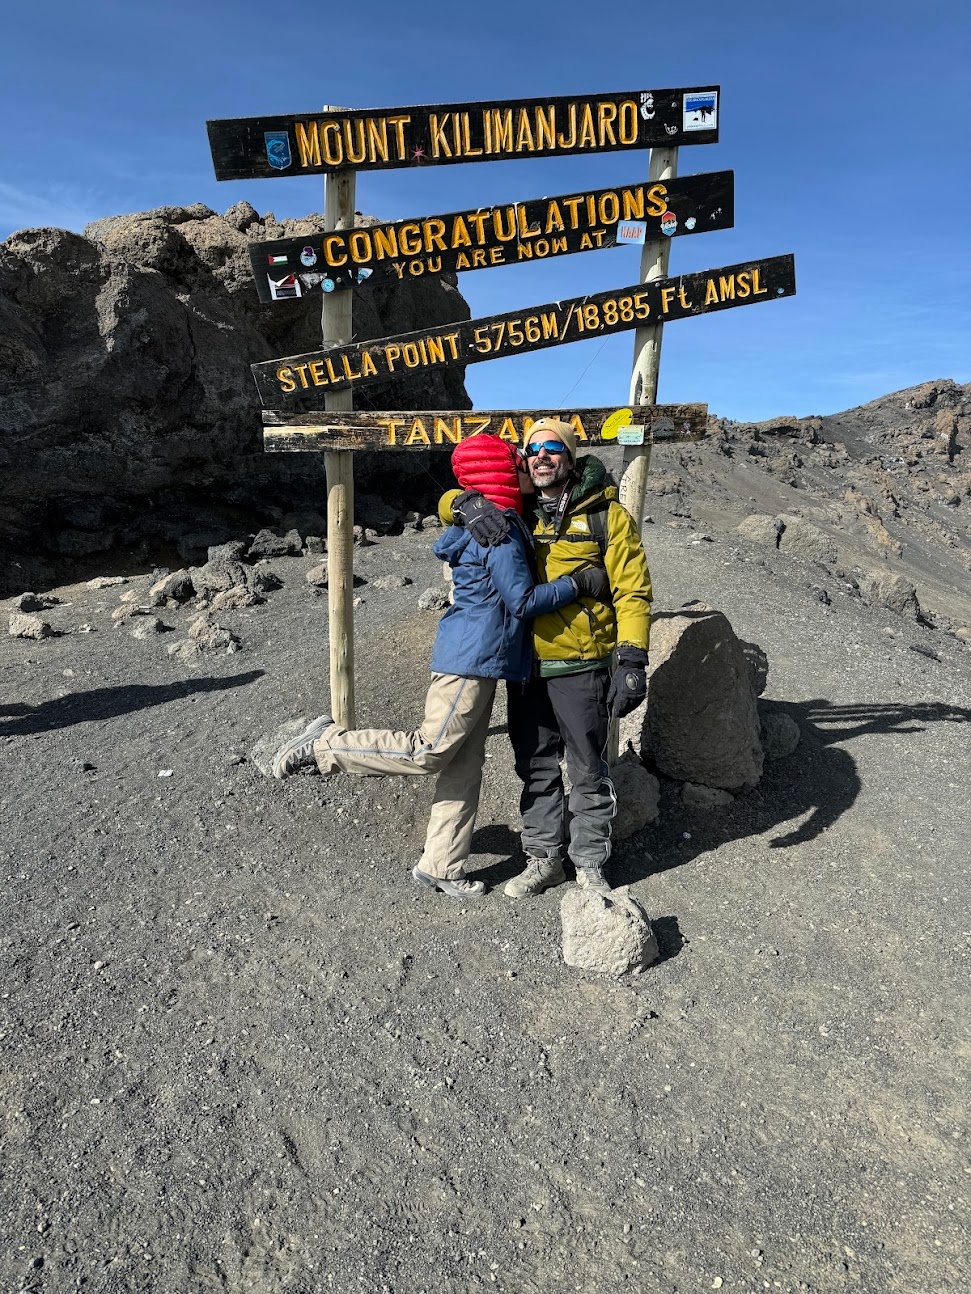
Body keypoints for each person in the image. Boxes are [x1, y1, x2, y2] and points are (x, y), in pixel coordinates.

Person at [270, 432, 611, 900]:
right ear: (501, 474)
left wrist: (464, 500)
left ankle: (441, 865)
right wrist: (580, 583)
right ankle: (327, 745)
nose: (527, 466)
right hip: (472, 658)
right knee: (429, 749)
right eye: (518, 461)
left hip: (481, 657)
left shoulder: (483, 519)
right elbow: (523, 600)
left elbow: (455, 500)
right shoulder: (502, 528)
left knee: (464, 763)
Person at [442, 417, 652, 898]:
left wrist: (633, 658)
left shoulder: (606, 515)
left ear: (570, 456)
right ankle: (543, 858)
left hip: (581, 664)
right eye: (532, 449)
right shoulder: (511, 510)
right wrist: (464, 502)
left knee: (587, 767)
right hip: (525, 664)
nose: (541, 455)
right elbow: (449, 500)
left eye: (553, 447)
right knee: (534, 765)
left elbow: (633, 589)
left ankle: (590, 864)